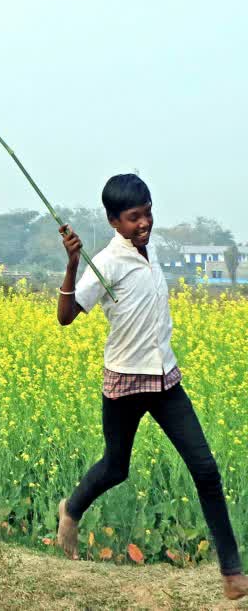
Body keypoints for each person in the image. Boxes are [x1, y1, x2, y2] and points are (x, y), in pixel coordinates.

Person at [55, 174, 247, 599]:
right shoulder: (105, 262)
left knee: (206, 470)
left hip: (165, 379)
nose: (144, 223)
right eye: (133, 217)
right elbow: (66, 316)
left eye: (148, 213)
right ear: (113, 221)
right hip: (125, 381)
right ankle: (70, 509)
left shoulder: (152, 250)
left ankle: (232, 573)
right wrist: (72, 265)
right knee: (116, 466)